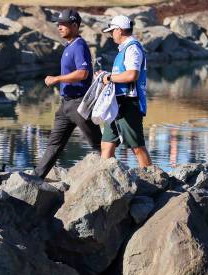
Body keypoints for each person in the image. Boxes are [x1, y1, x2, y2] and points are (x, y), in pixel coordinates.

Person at [34, 9, 102, 178]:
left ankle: (115, 179)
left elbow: (83, 73)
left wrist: (57, 79)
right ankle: (36, 178)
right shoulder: (69, 46)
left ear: (75, 25)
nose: (59, 27)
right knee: (53, 145)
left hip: (79, 104)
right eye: (58, 24)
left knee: (99, 145)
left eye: (63, 24)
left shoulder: (79, 45)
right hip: (66, 105)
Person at [100, 15, 152, 168]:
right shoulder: (124, 49)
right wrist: (105, 77)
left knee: (137, 147)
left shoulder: (132, 48)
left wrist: (108, 78)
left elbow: (132, 75)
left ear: (119, 30)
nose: (111, 35)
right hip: (117, 103)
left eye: (112, 31)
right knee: (106, 144)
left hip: (129, 103)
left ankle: (154, 179)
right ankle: (104, 180)